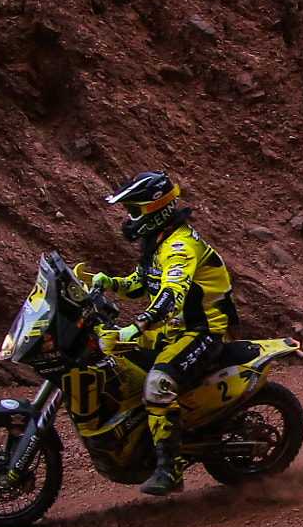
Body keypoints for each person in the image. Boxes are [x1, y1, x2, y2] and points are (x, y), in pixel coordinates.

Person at [86, 171, 237, 496]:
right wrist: (108, 283)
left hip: (201, 331)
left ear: (156, 208)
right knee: (113, 359)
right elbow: (143, 283)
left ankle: (170, 467)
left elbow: (172, 296)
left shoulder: (180, 247)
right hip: (172, 329)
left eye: (134, 211)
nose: (130, 219)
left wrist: (136, 326)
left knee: (158, 382)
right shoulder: (157, 242)